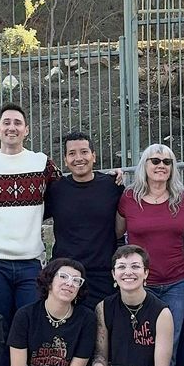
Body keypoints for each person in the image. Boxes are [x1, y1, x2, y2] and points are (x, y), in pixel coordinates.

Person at [0, 104, 59, 328]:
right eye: (6, 122)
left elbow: (65, 193)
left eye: (18, 123)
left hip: (30, 261)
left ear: (26, 130)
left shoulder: (42, 164)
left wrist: (109, 179)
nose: (12, 127)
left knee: (30, 325)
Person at [116, 144, 184, 358]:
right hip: (140, 283)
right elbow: (117, 231)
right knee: (140, 340)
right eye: (156, 161)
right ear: (144, 165)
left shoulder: (183, 199)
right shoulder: (129, 198)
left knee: (170, 344)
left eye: (167, 162)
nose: (162, 165)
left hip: (176, 283)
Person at [46, 131, 123, 308]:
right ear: (65, 160)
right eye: (72, 153)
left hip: (102, 275)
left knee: (102, 323)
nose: (78, 158)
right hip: (65, 274)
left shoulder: (112, 185)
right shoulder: (55, 190)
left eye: (84, 152)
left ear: (93, 156)